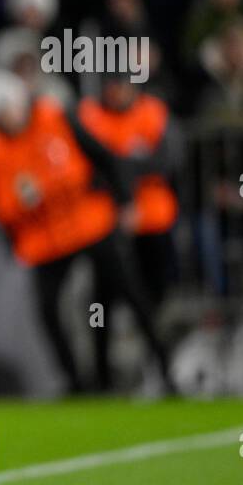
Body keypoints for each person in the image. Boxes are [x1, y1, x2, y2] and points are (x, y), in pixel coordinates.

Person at [0, 74, 171, 396]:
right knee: (47, 310)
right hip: (45, 239)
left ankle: (163, 367)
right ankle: (78, 383)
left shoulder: (56, 117)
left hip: (88, 221)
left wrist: (125, 201)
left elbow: (102, 156)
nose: (7, 119)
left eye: (7, 109)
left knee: (126, 296)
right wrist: (14, 241)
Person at [78, 72, 178, 308]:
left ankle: (155, 316)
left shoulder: (152, 110)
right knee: (110, 280)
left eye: (122, 85)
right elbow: (89, 166)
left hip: (152, 207)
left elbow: (167, 160)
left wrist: (122, 166)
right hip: (107, 211)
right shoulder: (91, 115)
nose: (117, 92)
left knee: (156, 271)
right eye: (112, 86)